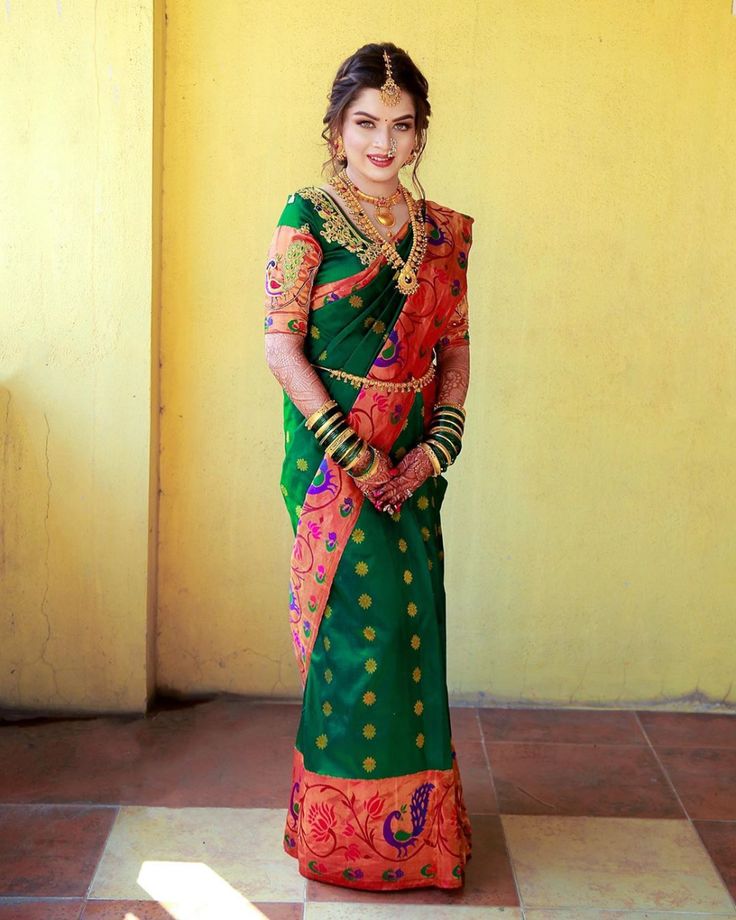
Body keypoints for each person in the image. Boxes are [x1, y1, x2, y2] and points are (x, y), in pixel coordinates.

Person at [263, 41, 475, 892]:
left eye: (401, 125)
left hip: (411, 465)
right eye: (365, 124)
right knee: (358, 635)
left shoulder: (441, 235)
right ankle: (340, 837)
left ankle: (419, 837)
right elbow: (280, 342)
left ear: (420, 134)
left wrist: (435, 448)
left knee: (415, 632)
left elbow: (456, 347)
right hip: (330, 464)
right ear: (336, 127)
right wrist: (351, 450)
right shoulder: (306, 215)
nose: (383, 144)